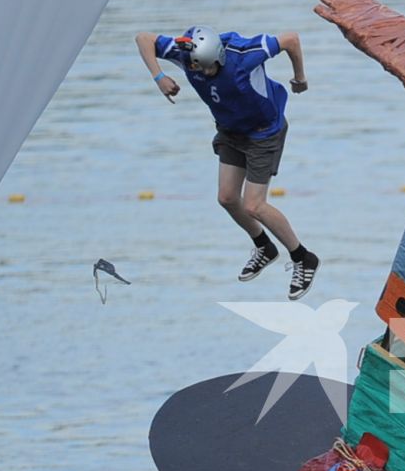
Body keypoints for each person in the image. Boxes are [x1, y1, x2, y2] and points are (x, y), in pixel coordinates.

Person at [135, 25, 320, 297]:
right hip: (230, 130)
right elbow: (144, 38)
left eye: (205, 70)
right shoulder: (188, 55)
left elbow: (291, 38)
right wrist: (159, 76)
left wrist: (300, 78)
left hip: (263, 134)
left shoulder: (245, 56)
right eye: (195, 69)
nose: (200, 75)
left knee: (254, 204)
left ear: (218, 59)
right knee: (227, 197)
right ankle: (264, 247)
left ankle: (303, 257)